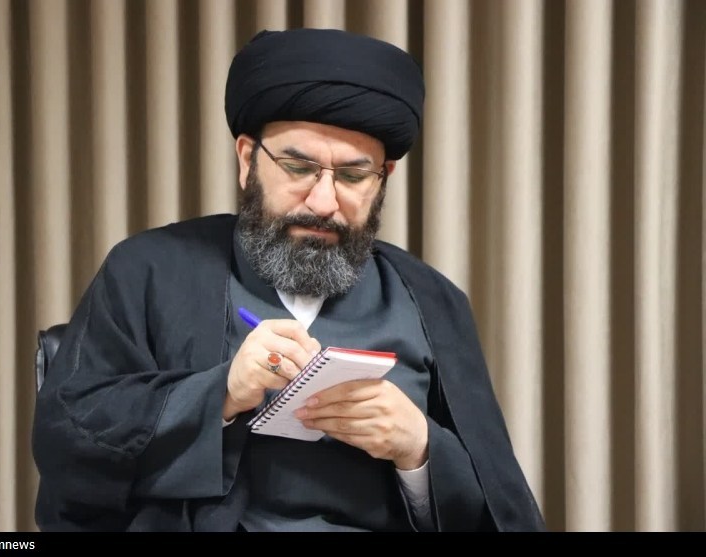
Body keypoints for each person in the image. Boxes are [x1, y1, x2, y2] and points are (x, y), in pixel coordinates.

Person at [32, 27, 546, 532]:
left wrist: (419, 448)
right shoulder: (150, 269)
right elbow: (67, 443)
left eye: (353, 176)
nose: (323, 202)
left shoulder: (431, 301)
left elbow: (501, 510)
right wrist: (222, 393)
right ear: (247, 160)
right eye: (298, 167)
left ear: (383, 179)